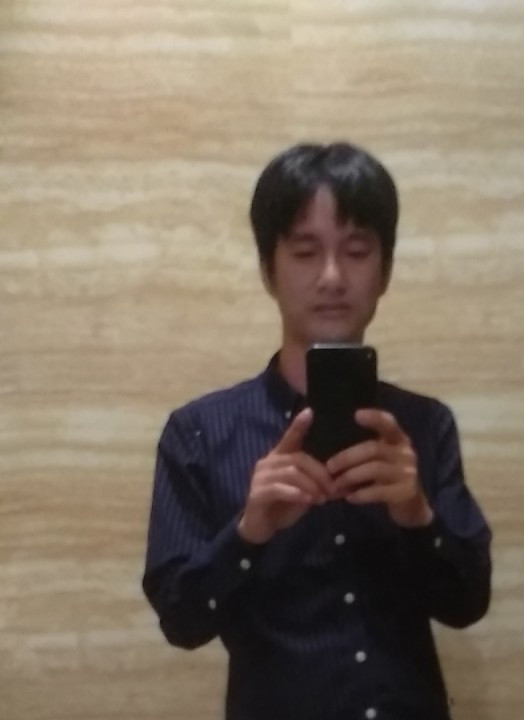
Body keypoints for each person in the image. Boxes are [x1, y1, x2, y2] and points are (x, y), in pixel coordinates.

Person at [142, 142, 493, 720]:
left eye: (356, 251)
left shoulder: (424, 427)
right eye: (305, 252)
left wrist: (417, 516)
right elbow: (180, 620)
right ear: (268, 269)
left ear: (385, 270)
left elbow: (467, 603)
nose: (332, 277)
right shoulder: (199, 433)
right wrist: (249, 533)